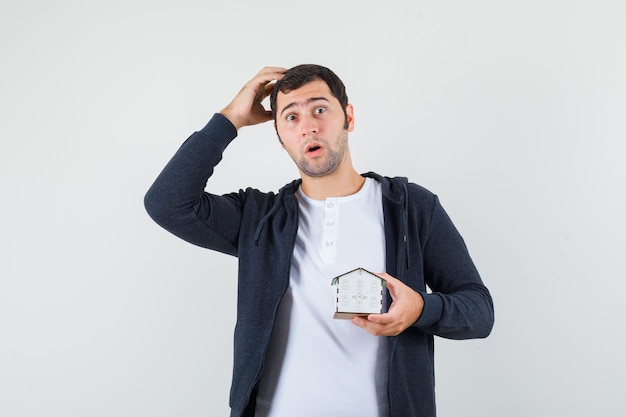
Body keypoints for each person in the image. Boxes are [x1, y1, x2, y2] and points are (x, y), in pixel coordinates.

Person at [144, 64, 494, 417]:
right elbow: (167, 203)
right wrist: (230, 119)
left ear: (349, 118)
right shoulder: (259, 219)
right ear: (281, 137)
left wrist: (420, 308)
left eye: (320, 110)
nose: (308, 125)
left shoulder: (411, 208)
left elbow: (479, 311)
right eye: (291, 117)